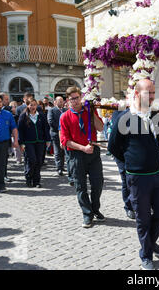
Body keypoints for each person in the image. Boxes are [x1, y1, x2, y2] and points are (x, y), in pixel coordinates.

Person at [108, 78, 159, 270]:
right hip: (137, 178)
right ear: (137, 94)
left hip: (158, 174)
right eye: (149, 93)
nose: (153, 96)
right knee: (143, 218)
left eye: (154, 93)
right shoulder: (124, 118)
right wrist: (132, 161)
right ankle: (146, 254)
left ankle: (149, 242)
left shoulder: (156, 117)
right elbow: (114, 147)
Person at [60, 86, 105, 229]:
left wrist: (92, 113)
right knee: (81, 186)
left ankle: (95, 208)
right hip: (76, 154)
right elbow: (65, 141)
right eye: (72, 99)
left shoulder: (89, 111)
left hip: (93, 152)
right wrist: (82, 148)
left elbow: (101, 128)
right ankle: (87, 213)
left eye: (77, 98)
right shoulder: (64, 116)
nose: (75, 101)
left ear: (81, 97)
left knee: (98, 183)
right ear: (68, 101)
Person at [18, 98, 51, 188]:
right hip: (28, 142)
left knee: (39, 161)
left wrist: (48, 140)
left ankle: (36, 181)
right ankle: (29, 178)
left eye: (34, 105)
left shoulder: (41, 115)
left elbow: (46, 128)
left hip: (40, 141)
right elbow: (20, 130)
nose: (33, 107)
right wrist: (21, 142)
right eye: (31, 105)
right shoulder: (23, 116)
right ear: (27, 105)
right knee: (32, 160)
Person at [48, 96, 67, 176]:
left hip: (64, 134)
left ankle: (62, 166)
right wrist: (60, 129)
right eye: (59, 101)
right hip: (55, 133)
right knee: (57, 151)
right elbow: (50, 121)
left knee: (63, 151)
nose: (61, 102)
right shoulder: (51, 110)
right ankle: (59, 168)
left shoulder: (65, 110)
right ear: (55, 102)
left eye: (62, 101)